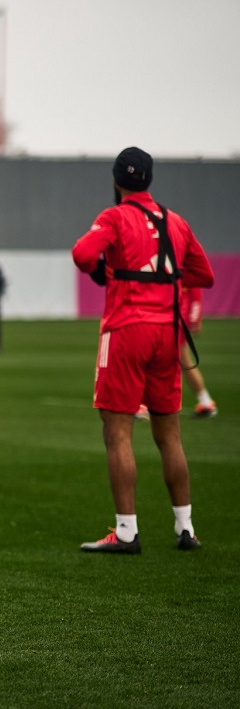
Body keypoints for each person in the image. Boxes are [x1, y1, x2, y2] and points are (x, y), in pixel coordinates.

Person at [72, 147, 214, 554]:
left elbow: (83, 255)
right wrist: (162, 273)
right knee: (170, 435)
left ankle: (127, 532)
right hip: (167, 332)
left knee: (118, 434)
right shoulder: (176, 221)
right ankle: (186, 528)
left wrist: (110, 269)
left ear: (117, 181)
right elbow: (204, 274)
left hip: (126, 330)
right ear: (149, 180)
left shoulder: (114, 216)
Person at [181, 286, 217, 418]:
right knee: (182, 361)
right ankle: (206, 402)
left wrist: (195, 318)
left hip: (177, 317)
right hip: (173, 315)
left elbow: (195, 290)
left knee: (182, 360)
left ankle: (206, 402)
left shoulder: (181, 266)